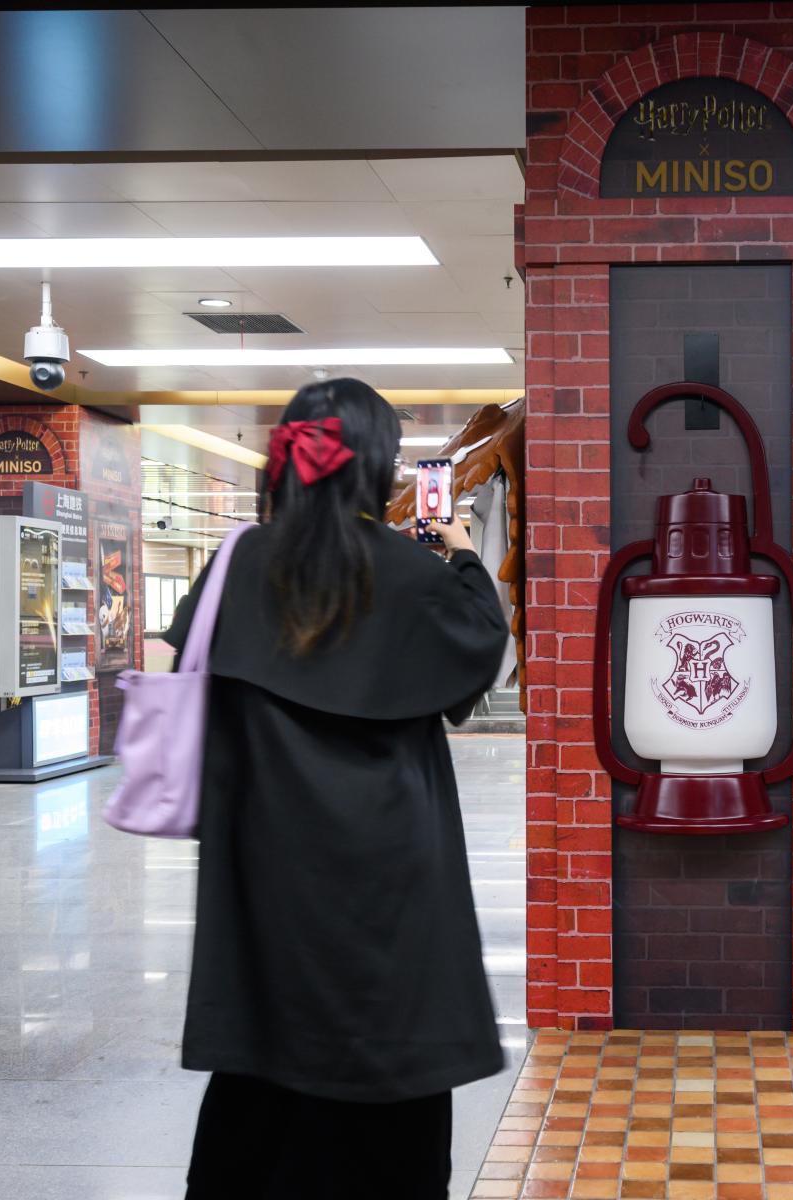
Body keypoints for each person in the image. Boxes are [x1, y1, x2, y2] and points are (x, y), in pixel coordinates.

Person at [165, 378, 511, 1198]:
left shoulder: (236, 566)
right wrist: (461, 548)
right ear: (377, 468)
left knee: (263, 1073)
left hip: (264, 874)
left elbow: (192, 674)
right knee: (393, 1085)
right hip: (395, 883)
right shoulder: (410, 573)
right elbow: (480, 647)